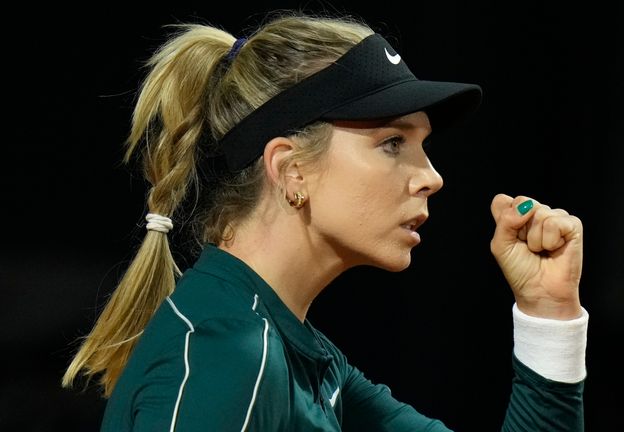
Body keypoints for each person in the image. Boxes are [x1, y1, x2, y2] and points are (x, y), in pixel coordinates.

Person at [62, 11, 588, 432]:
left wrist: (549, 313)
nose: (432, 178)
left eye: (422, 146)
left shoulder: (292, 351)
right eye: (391, 143)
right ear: (291, 170)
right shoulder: (229, 354)